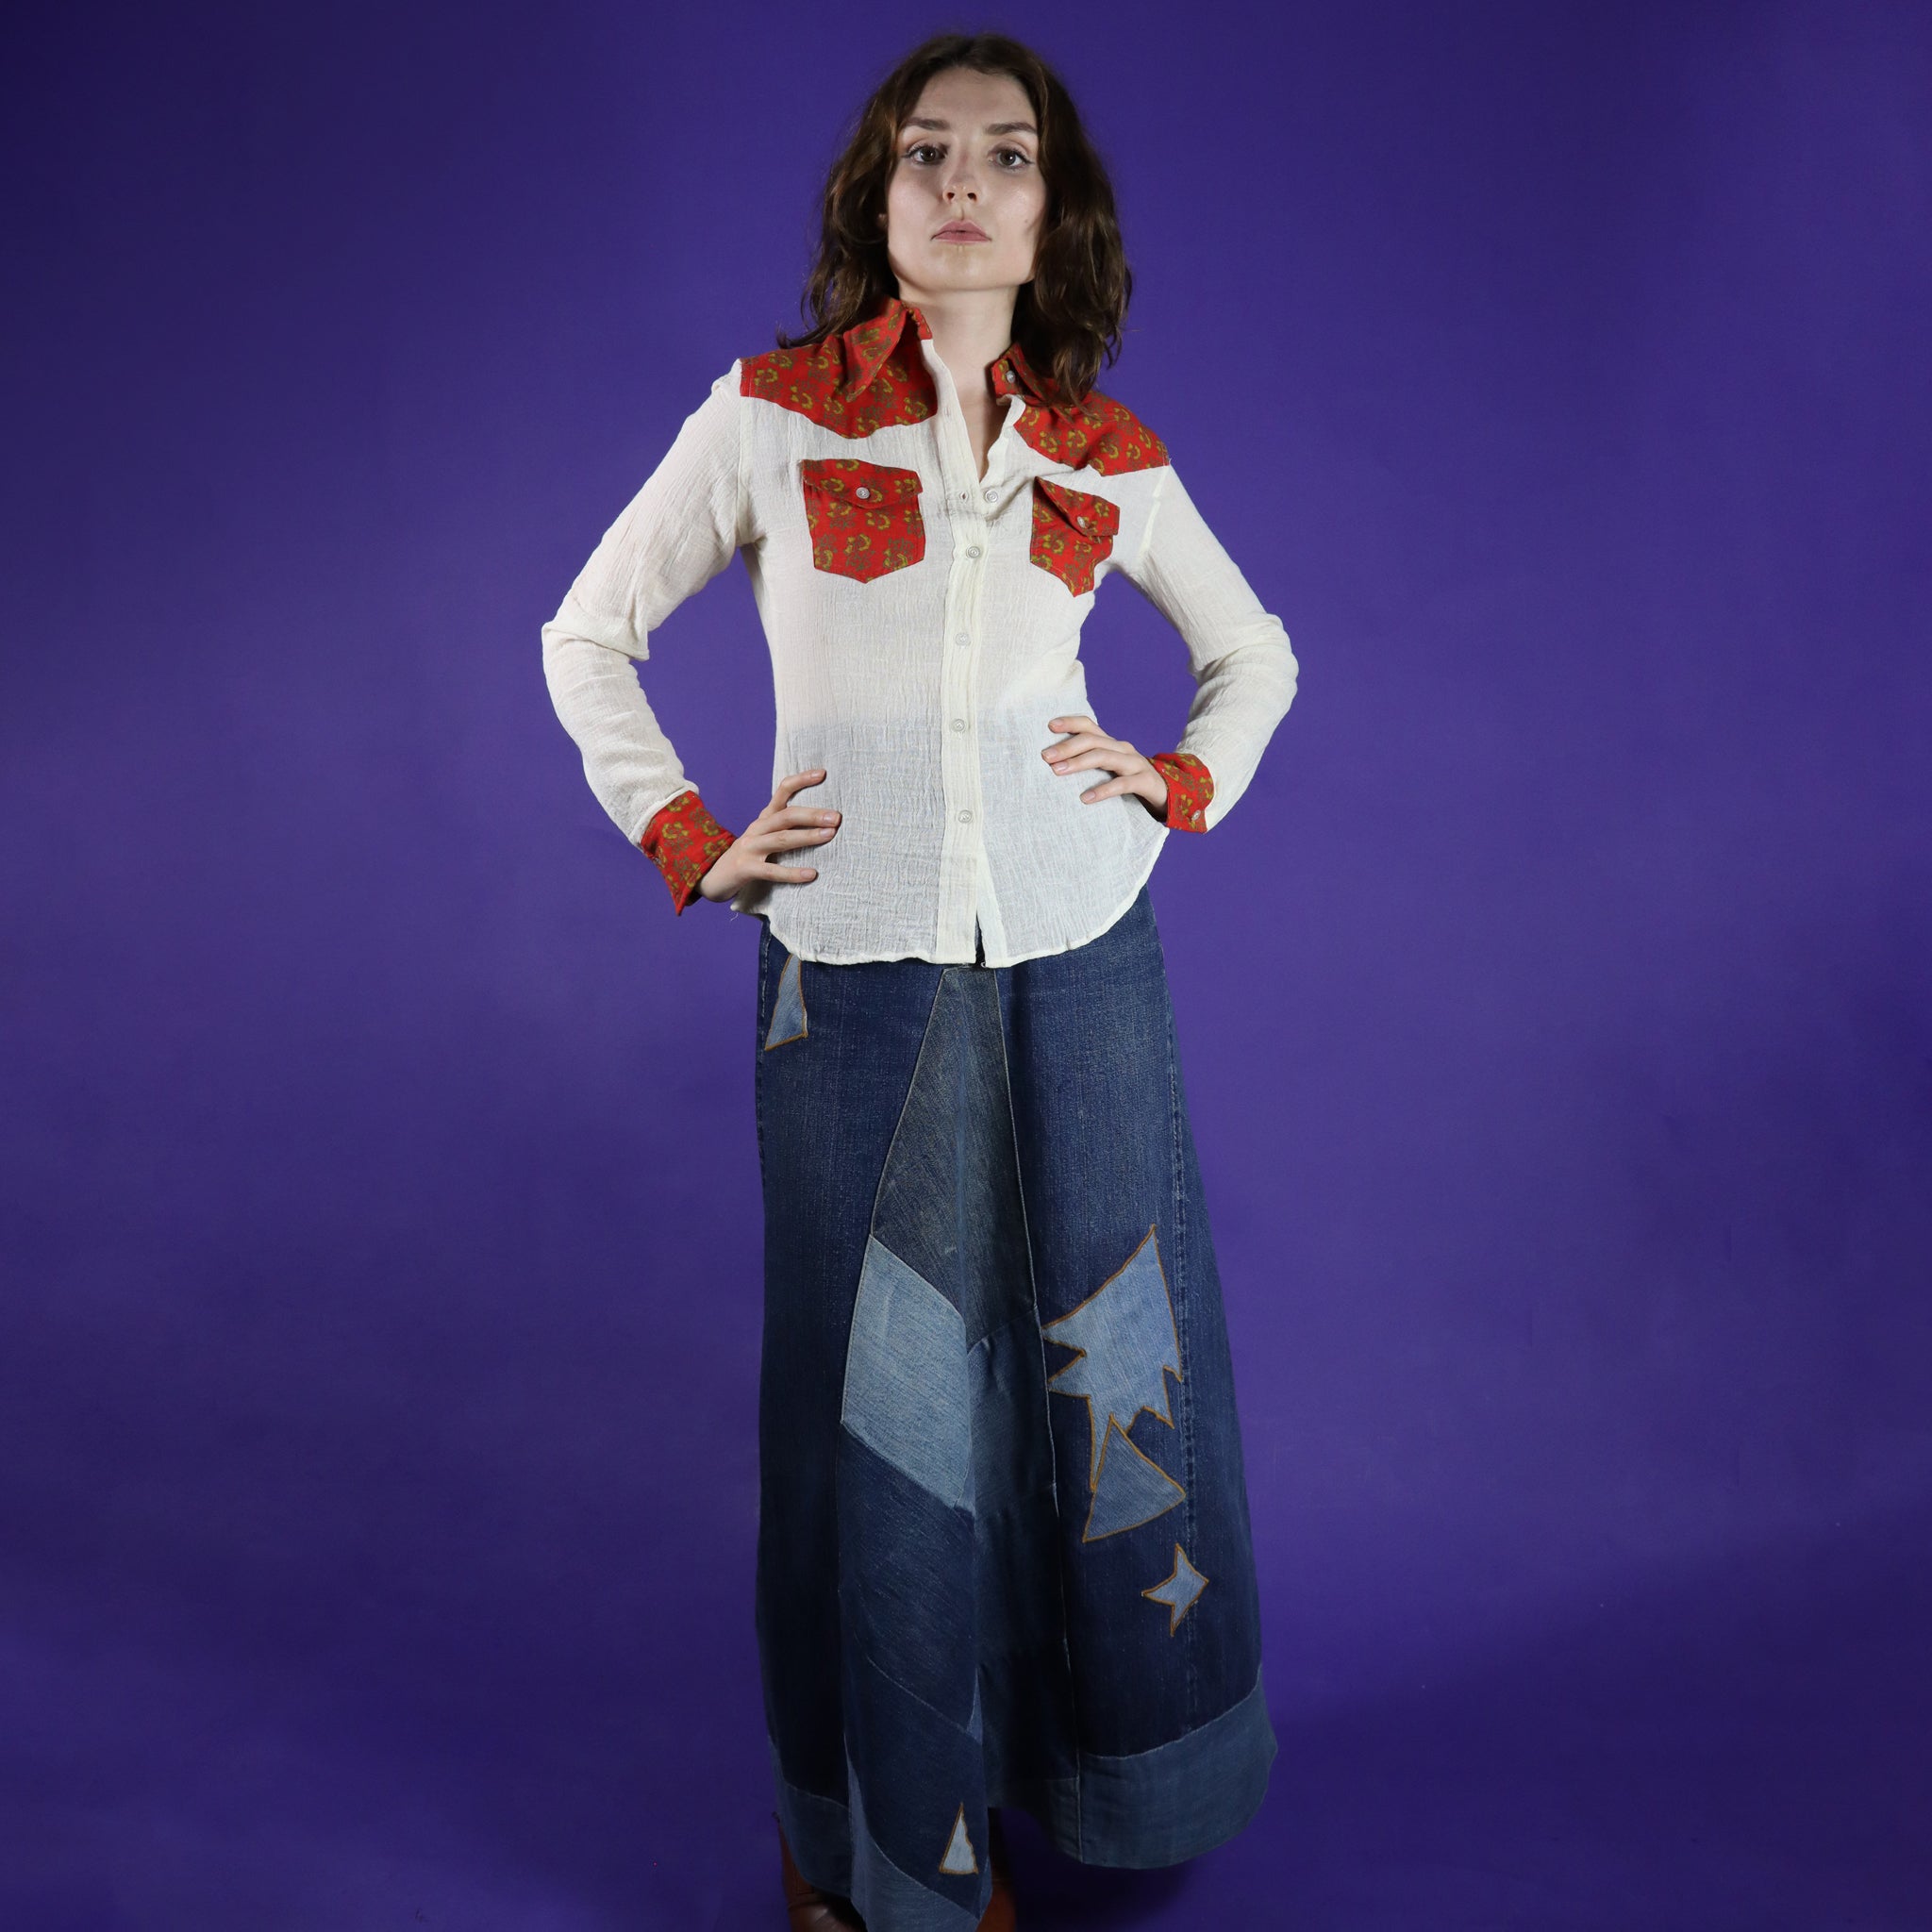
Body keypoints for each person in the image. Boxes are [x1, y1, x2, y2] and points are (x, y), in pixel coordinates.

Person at [541, 30, 1300, 1931]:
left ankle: (1086, 1775)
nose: (965, 180)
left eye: (1007, 155)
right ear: (876, 198)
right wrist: (686, 833)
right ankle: (878, 1854)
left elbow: (1256, 656)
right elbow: (585, 635)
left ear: (1053, 211)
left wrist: (1172, 779)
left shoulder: (1103, 451)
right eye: (926, 152)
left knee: (1100, 1376)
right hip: (852, 970)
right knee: (872, 1411)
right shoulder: (769, 418)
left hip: (1081, 965)